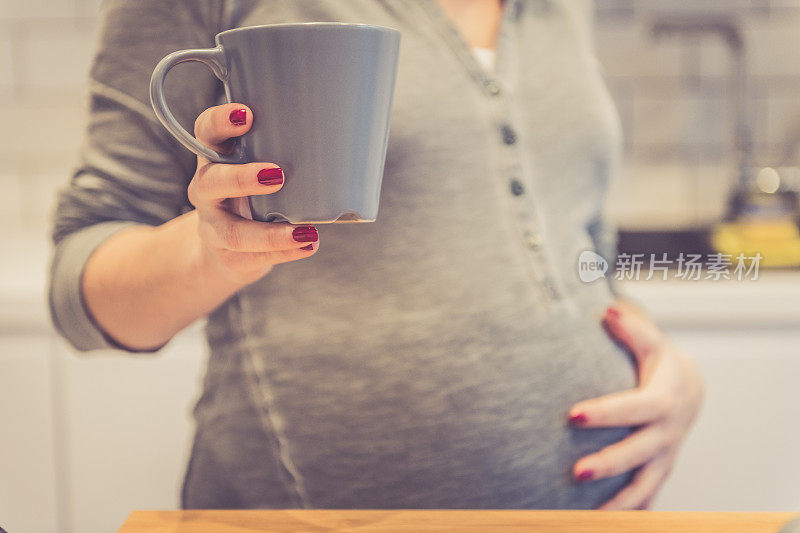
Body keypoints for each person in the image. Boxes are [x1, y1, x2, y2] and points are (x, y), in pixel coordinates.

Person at [48, 0, 704, 510]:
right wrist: (211, 247)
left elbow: (578, 238)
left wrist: (666, 370)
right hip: (313, 513)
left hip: (594, 502)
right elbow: (80, 286)